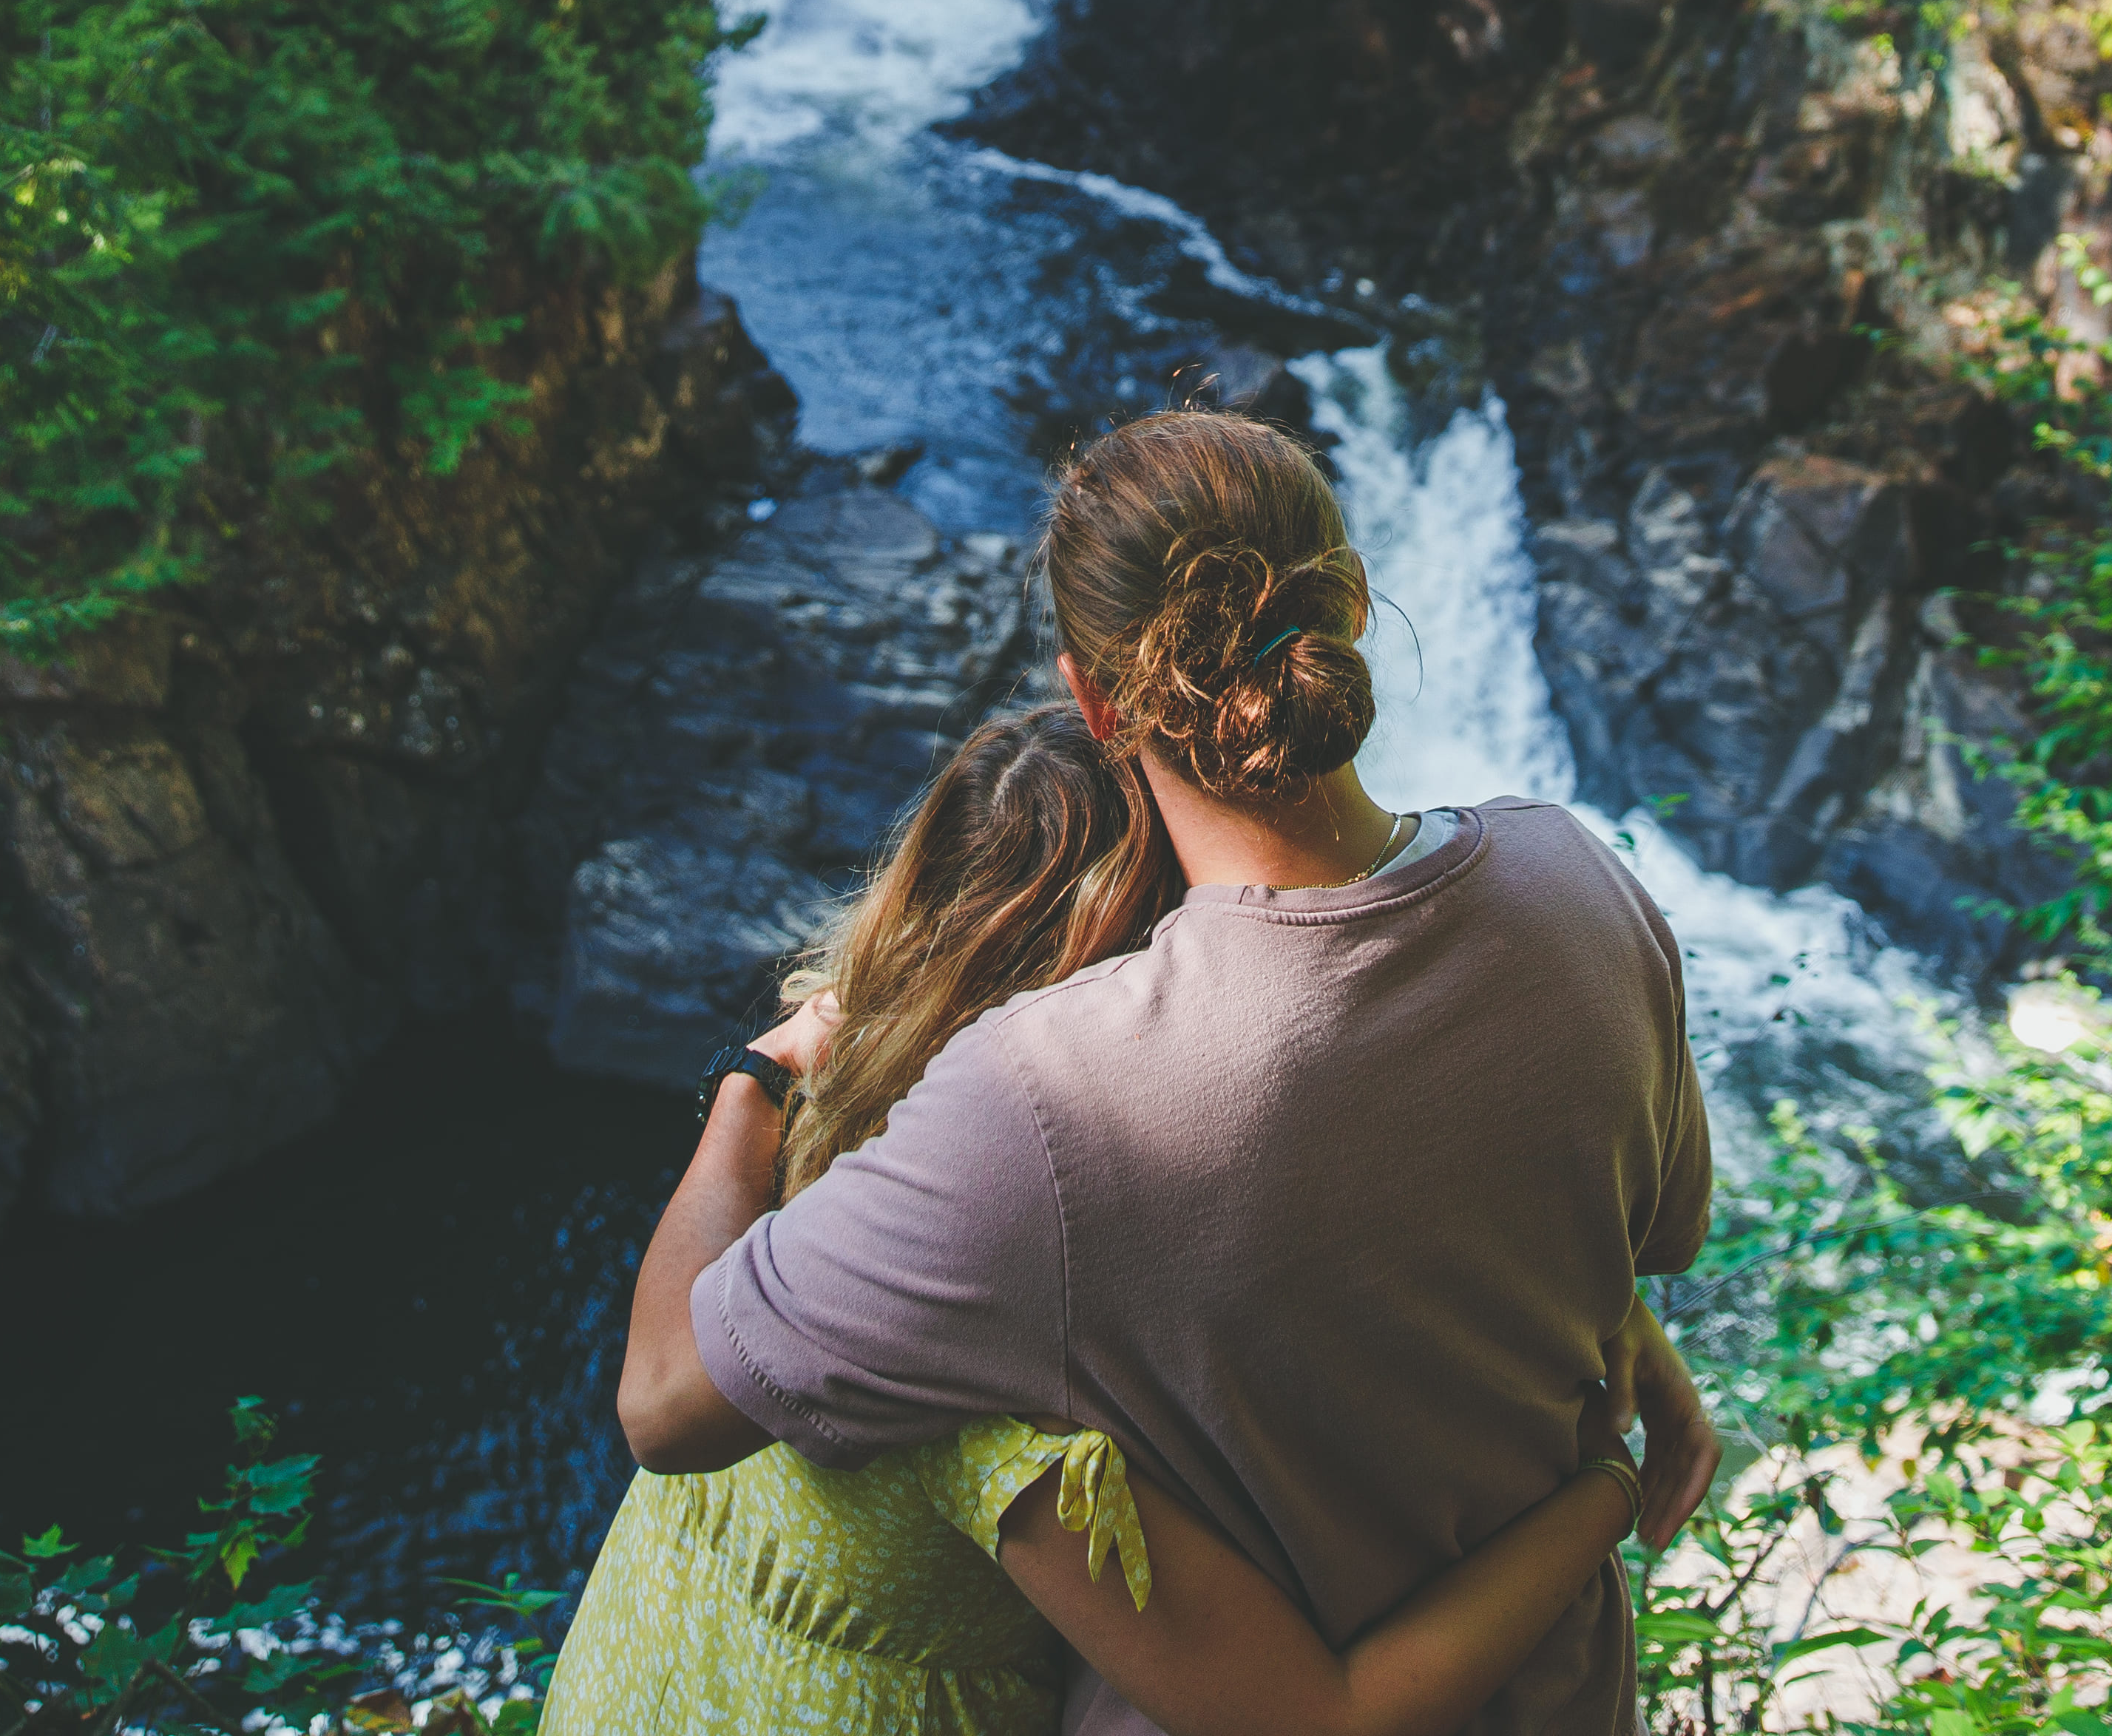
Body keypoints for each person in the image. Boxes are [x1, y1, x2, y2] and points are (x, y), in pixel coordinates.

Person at [620, 410, 1720, 1736]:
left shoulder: (1046, 1103)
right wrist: (1621, 1399)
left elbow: (672, 1402)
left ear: (1094, 701)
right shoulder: (1580, 880)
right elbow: (1636, 1235)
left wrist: (758, 1080)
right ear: (1354, 606)